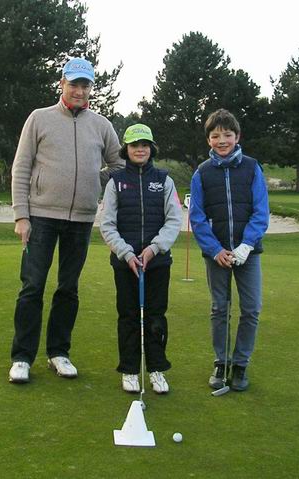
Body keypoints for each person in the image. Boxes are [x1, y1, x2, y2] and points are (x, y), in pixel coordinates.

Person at [8, 58, 124, 384]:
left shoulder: (101, 125)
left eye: (85, 85)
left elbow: (119, 164)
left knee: (68, 289)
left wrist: (94, 181)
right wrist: (21, 215)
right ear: (62, 84)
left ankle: (59, 353)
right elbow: (21, 167)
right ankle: (22, 357)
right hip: (41, 217)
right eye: (73, 84)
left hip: (81, 220)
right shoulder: (39, 118)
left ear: (90, 89)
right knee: (32, 287)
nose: (79, 91)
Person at [189, 109, 269, 392]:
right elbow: (197, 217)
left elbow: (261, 211)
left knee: (251, 309)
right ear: (208, 140)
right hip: (217, 254)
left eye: (227, 135)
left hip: (248, 253)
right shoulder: (202, 173)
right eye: (215, 136)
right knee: (219, 309)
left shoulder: (252, 168)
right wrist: (215, 250)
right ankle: (221, 363)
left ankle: (240, 365)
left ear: (237, 137)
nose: (221, 140)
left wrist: (246, 245)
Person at [100, 124, 182, 394]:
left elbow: (174, 220)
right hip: (125, 263)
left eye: (145, 145)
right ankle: (130, 369)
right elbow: (107, 224)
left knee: (156, 316)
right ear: (126, 149)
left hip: (157, 262)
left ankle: (156, 369)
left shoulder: (164, 180)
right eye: (135, 145)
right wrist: (126, 253)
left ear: (151, 148)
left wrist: (154, 248)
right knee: (128, 316)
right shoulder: (115, 182)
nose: (140, 149)